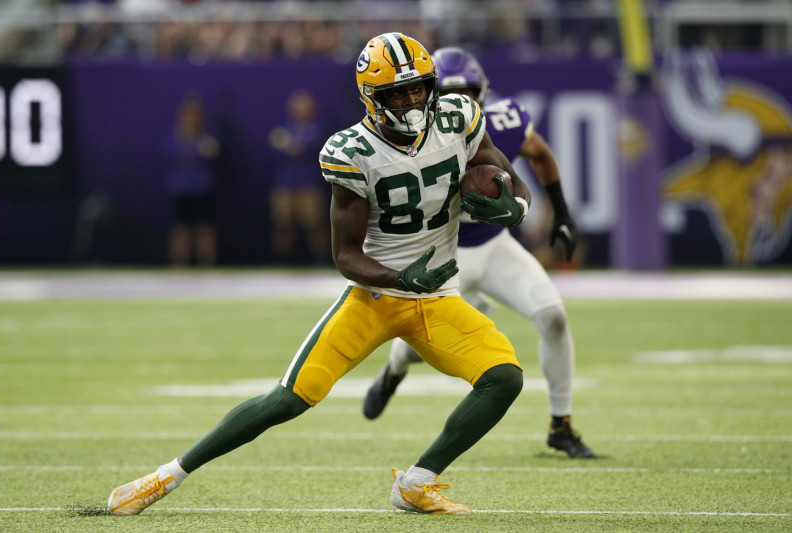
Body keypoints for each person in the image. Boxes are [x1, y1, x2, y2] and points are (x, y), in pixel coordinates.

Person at [106, 32, 532, 516]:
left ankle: (417, 483)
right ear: (372, 97)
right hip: (374, 296)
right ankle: (164, 478)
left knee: (504, 378)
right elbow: (345, 254)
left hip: (435, 298)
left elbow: (495, 166)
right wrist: (398, 279)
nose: (413, 99)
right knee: (287, 400)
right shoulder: (353, 150)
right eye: (398, 91)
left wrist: (515, 205)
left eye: (419, 87)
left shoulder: (458, 115)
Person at [362, 47, 596, 459]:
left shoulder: (496, 119)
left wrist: (560, 212)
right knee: (418, 342)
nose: (464, 100)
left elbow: (539, 153)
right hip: (443, 253)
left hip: (492, 245)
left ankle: (561, 424)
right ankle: (393, 371)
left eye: (470, 91)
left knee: (553, 316)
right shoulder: (407, 133)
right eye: (455, 91)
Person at [267, 88, 330, 264]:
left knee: (315, 224)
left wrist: (292, 146)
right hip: (284, 184)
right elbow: (274, 147)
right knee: (283, 225)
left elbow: (307, 148)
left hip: (309, 184)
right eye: (297, 107)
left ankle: (321, 260)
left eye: (305, 106)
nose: (301, 110)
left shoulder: (318, 128)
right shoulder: (284, 128)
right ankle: (282, 260)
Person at [162, 92, 220, 266]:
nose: (192, 116)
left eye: (195, 112)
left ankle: (207, 262)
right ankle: (179, 262)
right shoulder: (172, 134)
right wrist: (193, 148)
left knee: (204, 225)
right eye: (188, 112)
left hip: (202, 187)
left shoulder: (210, 133)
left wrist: (193, 147)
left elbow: (211, 152)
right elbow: (170, 153)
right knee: (180, 226)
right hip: (179, 187)